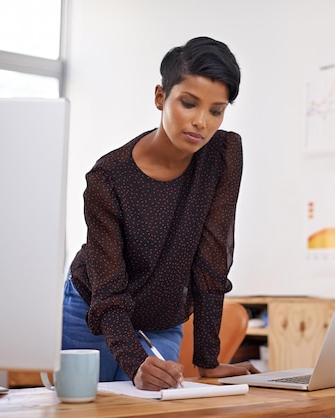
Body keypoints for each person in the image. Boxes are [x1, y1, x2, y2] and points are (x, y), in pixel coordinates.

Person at [61, 36, 259, 391]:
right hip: (93, 311)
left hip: (161, 319)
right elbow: (108, 289)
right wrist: (135, 363)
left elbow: (212, 263)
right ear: (160, 97)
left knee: (156, 404)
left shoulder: (223, 155)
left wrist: (208, 362)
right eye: (189, 103)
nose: (201, 121)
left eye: (216, 110)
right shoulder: (108, 178)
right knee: (87, 409)